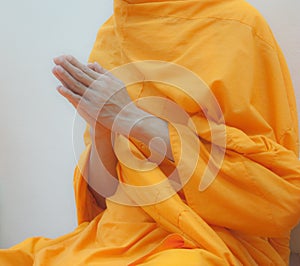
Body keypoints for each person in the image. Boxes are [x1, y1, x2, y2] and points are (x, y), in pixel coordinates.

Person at [1, 0, 300, 265]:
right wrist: (103, 128)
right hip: (115, 237)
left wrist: (132, 118)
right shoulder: (111, 33)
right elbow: (104, 199)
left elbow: (275, 196)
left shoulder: (238, 26)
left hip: (207, 239)